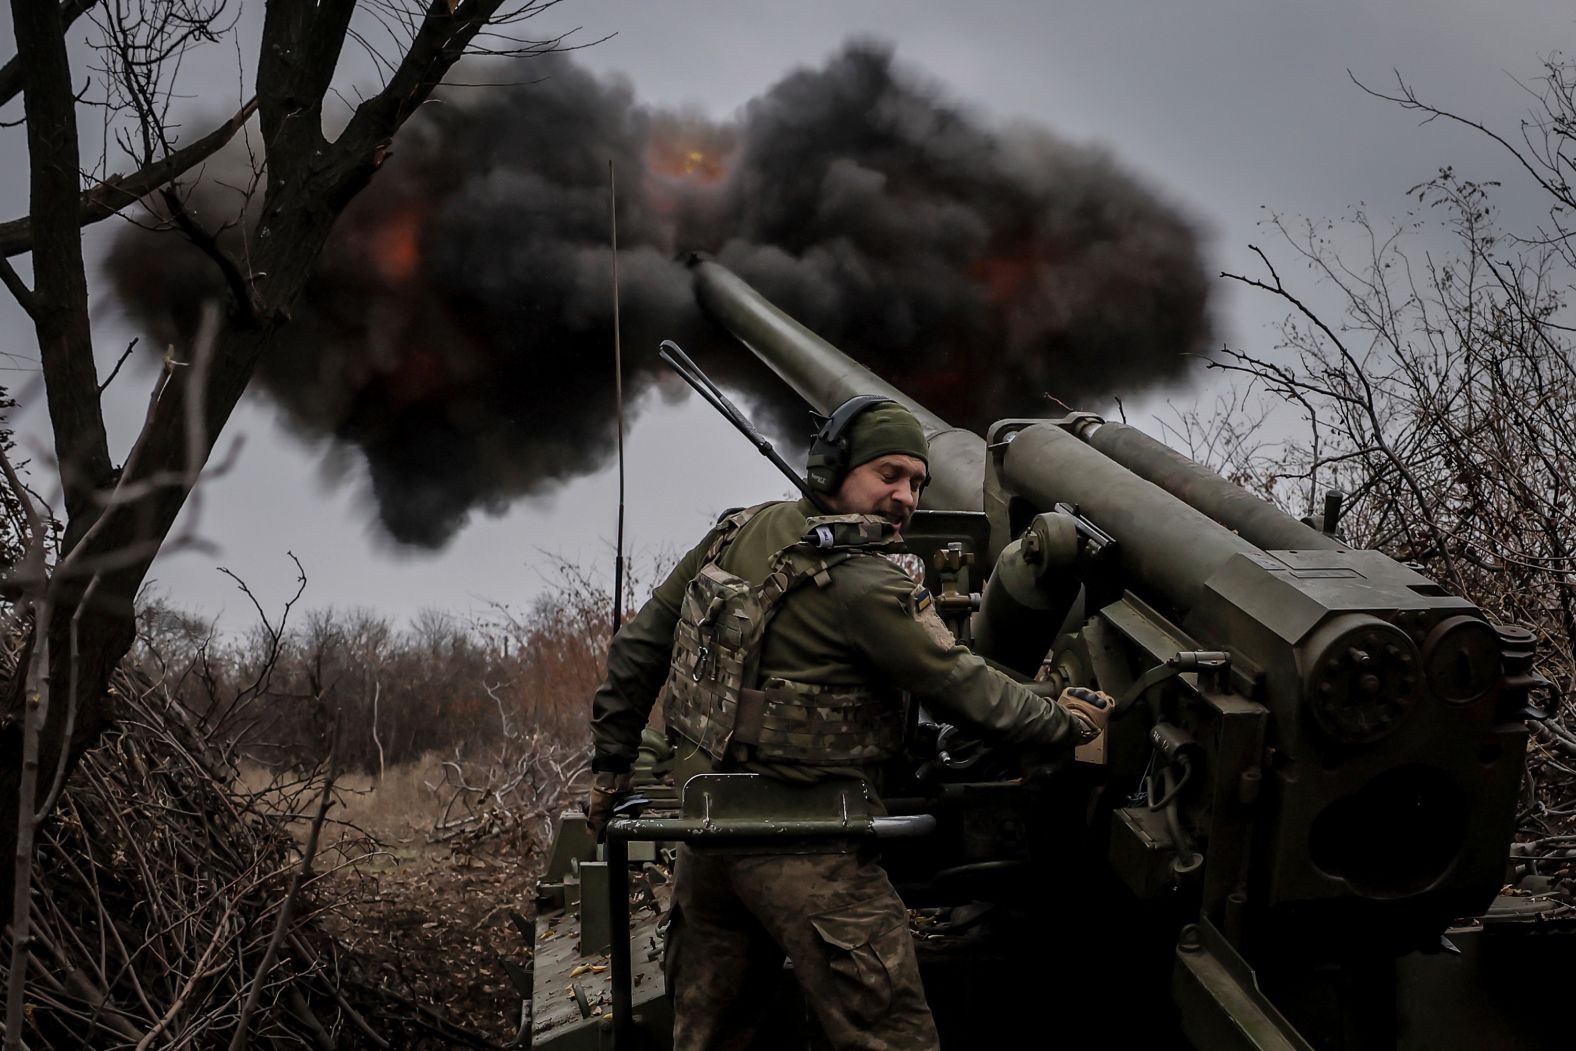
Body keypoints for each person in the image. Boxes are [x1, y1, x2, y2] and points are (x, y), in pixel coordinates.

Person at [586, 396, 1112, 1051]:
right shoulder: (866, 583)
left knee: (709, 1037)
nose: (906, 497)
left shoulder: (734, 532)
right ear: (832, 468)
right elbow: (963, 689)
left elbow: (639, 646)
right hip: (812, 850)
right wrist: (1063, 720)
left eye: (917, 482)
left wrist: (610, 766)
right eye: (888, 474)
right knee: (893, 1038)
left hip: (707, 837)